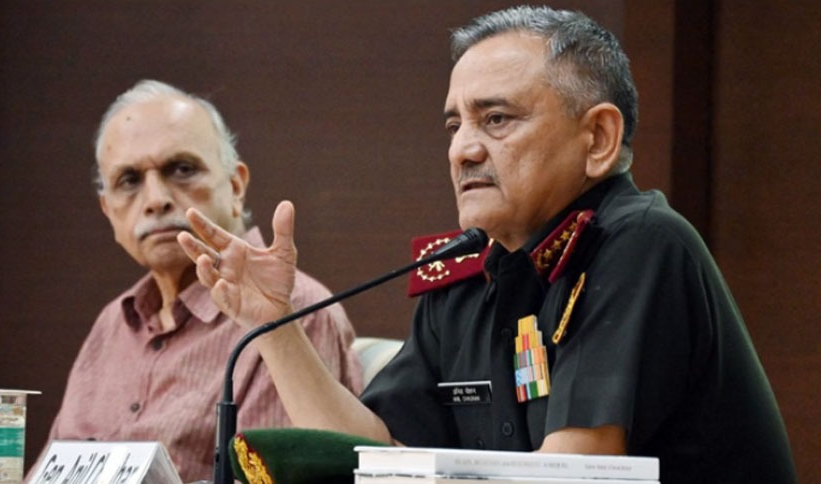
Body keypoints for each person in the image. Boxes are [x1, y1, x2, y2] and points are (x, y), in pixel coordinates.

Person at [177, 6, 796, 484]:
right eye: (455, 124)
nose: (462, 149)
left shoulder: (639, 244)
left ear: (598, 139)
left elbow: (573, 473)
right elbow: (372, 454)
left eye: (496, 119)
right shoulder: (465, 271)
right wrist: (275, 325)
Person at [31, 79, 362, 482]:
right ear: (108, 210)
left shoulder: (294, 313)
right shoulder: (111, 324)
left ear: (236, 186)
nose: (156, 199)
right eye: (129, 180)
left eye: (182, 169)